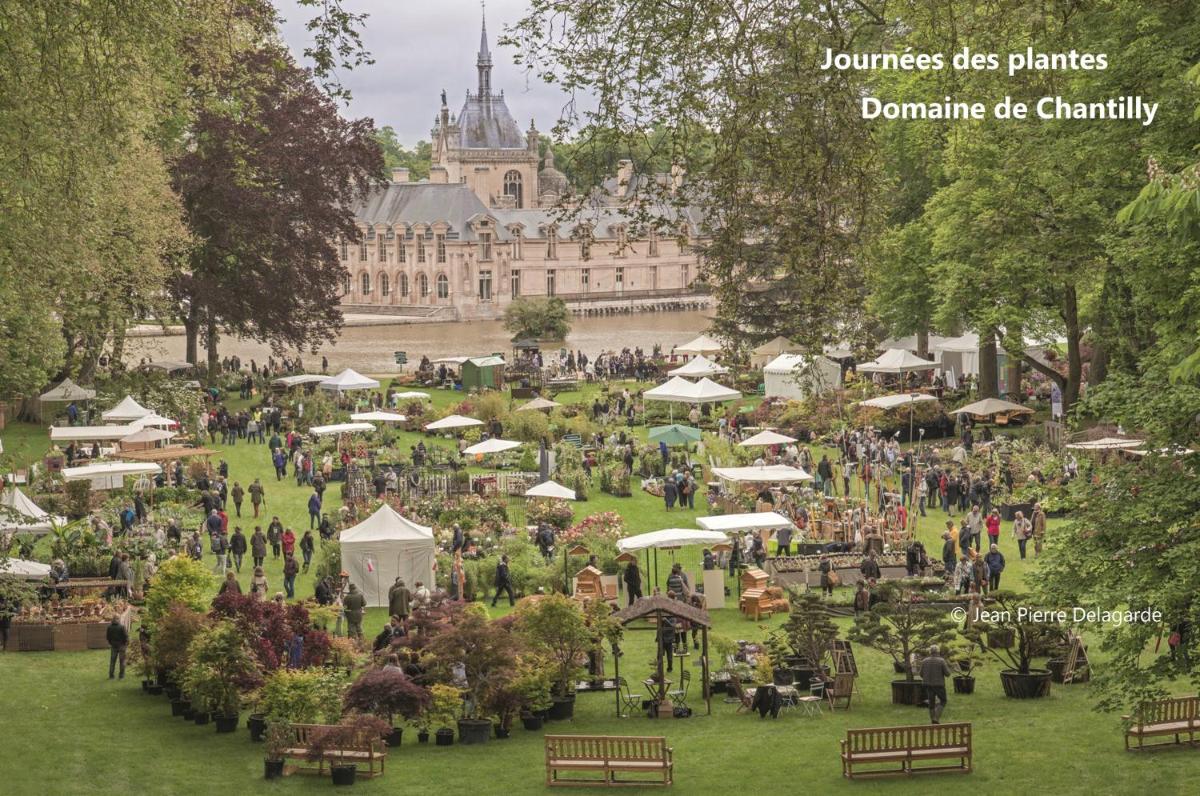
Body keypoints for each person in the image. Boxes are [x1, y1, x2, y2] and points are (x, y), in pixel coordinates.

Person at [919, 644, 952, 723]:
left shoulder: (924, 661)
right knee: (943, 701)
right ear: (938, 651)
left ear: (930, 652)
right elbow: (947, 674)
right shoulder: (941, 661)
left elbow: (921, 674)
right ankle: (936, 718)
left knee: (931, 703)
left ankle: (933, 722)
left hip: (928, 685)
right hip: (939, 685)